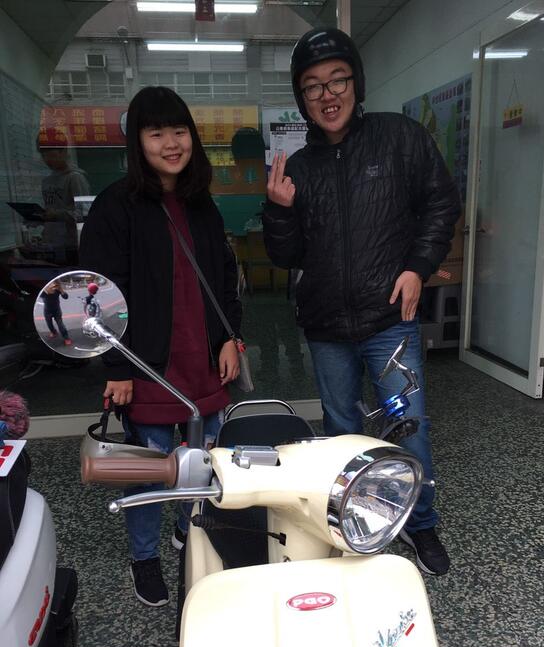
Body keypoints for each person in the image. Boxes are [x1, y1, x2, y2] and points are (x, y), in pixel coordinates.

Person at [263, 28, 461, 576]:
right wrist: (278, 209)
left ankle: (420, 523)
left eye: (338, 80)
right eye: (312, 86)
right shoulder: (299, 167)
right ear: (302, 97)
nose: (328, 95)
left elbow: (441, 205)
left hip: (389, 318)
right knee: (341, 430)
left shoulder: (400, 138)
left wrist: (417, 267)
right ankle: (351, 521)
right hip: (327, 325)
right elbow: (286, 256)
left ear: (357, 83)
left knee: (408, 426)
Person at [79, 86, 241, 607]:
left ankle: (188, 531)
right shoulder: (116, 206)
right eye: (156, 134)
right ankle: (144, 558)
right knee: (149, 473)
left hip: (204, 361)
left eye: (179, 131)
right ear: (138, 142)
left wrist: (230, 337)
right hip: (146, 366)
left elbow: (224, 278)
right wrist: (115, 366)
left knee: (204, 464)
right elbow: (98, 293)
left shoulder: (201, 203)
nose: (171, 144)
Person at [38, 137, 90, 264]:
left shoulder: (75, 178)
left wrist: (56, 215)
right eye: (44, 156)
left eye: (51, 155)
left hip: (70, 245)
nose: (47, 160)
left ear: (63, 152)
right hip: (50, 243)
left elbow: (84, 213)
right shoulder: (47, 181)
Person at [41, 281, 72, 345]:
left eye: (54, 284)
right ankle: (54, 332)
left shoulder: (57, 289)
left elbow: (66, 297)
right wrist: (46, 291)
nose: (52, 286)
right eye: (50, 284)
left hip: (56, 310)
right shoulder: (44, 290)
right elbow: (41, 295)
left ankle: (66, 338)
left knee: (60, 324)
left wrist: (61, 289)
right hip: (47, 310)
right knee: (49, 324)